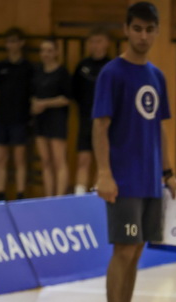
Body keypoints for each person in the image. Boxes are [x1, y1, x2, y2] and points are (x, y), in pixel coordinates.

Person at [93, 1, 176, 302]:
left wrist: (168, 173)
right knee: (123, 250)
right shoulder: (112, 74)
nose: (143, 36)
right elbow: (100, 126)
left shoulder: (157, 76)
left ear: (157, 32)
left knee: (137, 250)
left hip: (150, 181)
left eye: (149, 29)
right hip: (123, 179)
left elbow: (160, 128)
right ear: (126, 30)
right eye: (137, 29)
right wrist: (104, 173)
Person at [0, 28, 34, 201]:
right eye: (9, 41)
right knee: (1, 158)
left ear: (21, 43)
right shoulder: (0, 67)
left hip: (20, 118)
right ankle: (0, 194)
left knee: (19, 159)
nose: (12, 45)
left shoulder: (28, 67)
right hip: (2, 118)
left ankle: (20, 194)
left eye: (15, 41)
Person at [72, 27, 113, 195]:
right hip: (85, 119)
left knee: (102, 161)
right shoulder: (83, 66)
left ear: (107, 43)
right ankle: (79, 194)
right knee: (83, 159)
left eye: (99, 41)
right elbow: (74, 93)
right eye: (92, 42)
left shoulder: (111, 67)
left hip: (106, 121)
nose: (95, 45)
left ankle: (97, 195)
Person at [32, 38, 72, 197]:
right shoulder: (37, 72)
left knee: (58, 160)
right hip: (40, 120)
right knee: (45, 160)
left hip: (57, 119)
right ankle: (48, 197)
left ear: (56, 52)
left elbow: (66, 98)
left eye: (49, 51)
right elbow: (32, 94)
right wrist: (34, 104)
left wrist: (45, 103)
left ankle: (60, 197)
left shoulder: (62, 73)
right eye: (43, 50)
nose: (45, 54)